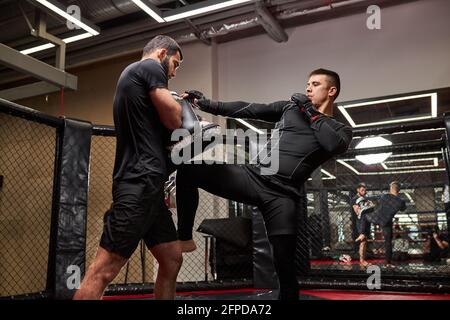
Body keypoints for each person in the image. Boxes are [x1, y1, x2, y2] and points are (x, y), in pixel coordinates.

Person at [175, 68, 353, 300]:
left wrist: (309, 110)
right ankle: (184, 237)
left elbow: (332, 145)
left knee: (284, 266)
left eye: (315, 84)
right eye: (308, 83)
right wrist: (206, 104)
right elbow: (248, 109)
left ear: (331, 91)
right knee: (188, 170)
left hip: (283, 197)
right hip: (253, 177)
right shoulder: (290, 108)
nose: (308, 87)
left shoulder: (340, 129)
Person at [74, 35, 184, 300]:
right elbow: (174, 118)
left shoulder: (135, 77)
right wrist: (179, 106)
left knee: (171, 259)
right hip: (138, 183)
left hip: (149, 189)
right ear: (161, 53)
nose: (174, 71)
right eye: (175, 63)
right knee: (103, 270)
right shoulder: (149, 67)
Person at [355, 181, 407, 267]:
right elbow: (403, 209)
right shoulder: (401, 201)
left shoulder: (384, 196)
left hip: (376, 217)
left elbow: (377, 204)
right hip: (386, 221)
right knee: (388, 242)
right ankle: (388, 263)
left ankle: (362, 233)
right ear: (399, 190)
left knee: (364, 214)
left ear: (390, 188)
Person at [351, 182, 373, 267]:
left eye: (365, 190)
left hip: (367, 221)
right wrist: (366, 206)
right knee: (363, 241)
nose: (364, 192)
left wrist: (367, 205)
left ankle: (362, 260)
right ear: (358, 190)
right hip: (360, 222)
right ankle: (362, 260)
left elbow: (372, 206)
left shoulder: (365, 199)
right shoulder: (355, 199)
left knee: (365, 241)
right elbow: (358, 212)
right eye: (362, 190)